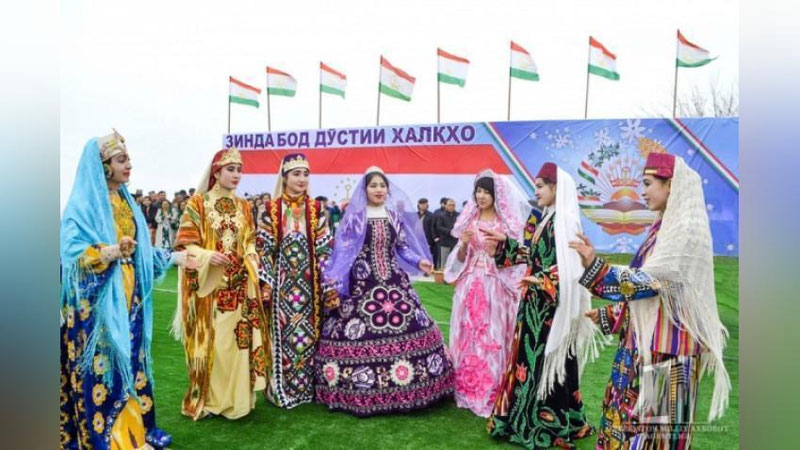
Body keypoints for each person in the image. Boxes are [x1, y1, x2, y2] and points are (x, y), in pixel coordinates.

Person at [569, 152, 730, 449]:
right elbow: (653, 286)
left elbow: (652, 282)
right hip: (645, 345)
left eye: (647, 183)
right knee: (634, 425)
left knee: (659, 435)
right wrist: (611, 314)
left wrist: (596, 267)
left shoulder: (686, 231)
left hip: (671, 351)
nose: (641, 192)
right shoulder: (663, 227)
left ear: (671, 185)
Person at [60, 130, 183, 449]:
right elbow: (70, 252)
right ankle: (105, 437)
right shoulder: (83, 205)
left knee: (132, 360)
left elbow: (142, 252)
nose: (129, 165)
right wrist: (111, 251)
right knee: (103, 365)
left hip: (131, 297)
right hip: (97, 302)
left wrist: (177, 257)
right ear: (103, 166)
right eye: (120, 159)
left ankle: (134, 432)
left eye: (128, 159)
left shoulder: (128, 204)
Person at [315, 167, 454, 416]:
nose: (379, 190)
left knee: (413, 322)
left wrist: (419, 261)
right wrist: (335, 278)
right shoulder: (356, 217)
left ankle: (413, 385)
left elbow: (401, 248)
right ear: (365, 190)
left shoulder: (393, 216)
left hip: (393, 280)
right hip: (362, 283)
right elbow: (344, 251)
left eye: (382, 185)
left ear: (388, 189)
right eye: (373, 186)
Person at [483, 162, 597, 449]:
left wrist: (543, 280)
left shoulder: (564, 220)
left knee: (548, 361)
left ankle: (549, 424)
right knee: (532, 361)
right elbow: (537, 255)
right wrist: (506, 244)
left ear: (555, 188)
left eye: (540, 186)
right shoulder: (548, 218)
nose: (535, 192)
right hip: (535, 304)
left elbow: (571, 267)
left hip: (549, 308)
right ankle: (533, 418)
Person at [172, 147, 268, 421]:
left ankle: (238, 402)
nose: (236, 175)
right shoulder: (198, 203)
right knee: (214, 346)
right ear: (216, 172)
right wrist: (206, 256)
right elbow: (184, 245)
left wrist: (251, 255)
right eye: (230, 169)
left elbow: (250, 239)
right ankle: (212, 401)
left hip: (239, 287)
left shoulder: (244, 205)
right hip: (210, 288)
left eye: (239, 170)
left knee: (238, 345)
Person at [443, 170, 527, 417]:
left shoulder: (505, 224)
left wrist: (498, 248)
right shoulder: (470, 221)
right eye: (478, 191)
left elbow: (515, 257)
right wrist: (464, 243)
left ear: (496, 195)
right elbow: (461, 258)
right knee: (468, 332)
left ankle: (492, 388)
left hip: (495, 285)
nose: (481, 196)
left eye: (486, 192)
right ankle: (466, 385)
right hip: (470, 283)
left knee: (492, 333)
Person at [256, 153, 337, 409]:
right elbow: (264, 248)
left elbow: (324, 247)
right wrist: (266, 284)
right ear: (284, 177)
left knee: (309, 334)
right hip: (281, 286)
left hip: (310, 285)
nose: (302, 179)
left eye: (305, 174)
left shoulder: (317, 209)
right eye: (296, 174)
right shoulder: (270, 209)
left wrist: (328, 285)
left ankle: (307, 389)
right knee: (283, 335)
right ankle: (282, 388)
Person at [434, 198, 458, 270]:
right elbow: (439, 227)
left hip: (455, 242)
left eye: (453, 205)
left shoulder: (458, 215)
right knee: (444, 262)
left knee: (455, 262)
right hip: (445, 241)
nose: (451, 207)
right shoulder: (441, 216)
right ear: (446, 206)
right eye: (449, 205)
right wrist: (450, 231)